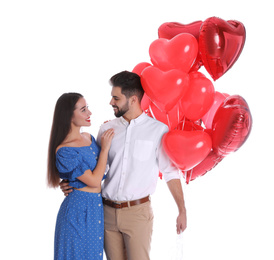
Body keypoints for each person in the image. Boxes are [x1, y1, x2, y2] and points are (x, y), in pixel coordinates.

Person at [61, 71, 187, 260]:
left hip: (138, 213)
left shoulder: (158, 130)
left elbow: (170, 172)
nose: (111, 102)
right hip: (106, 212)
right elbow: (93, 168)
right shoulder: (106, 129)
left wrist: (182, 210)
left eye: (116, 98)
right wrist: (70, 182)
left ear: (133, 99)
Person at [47, 92, 114, 259]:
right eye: (83, 110)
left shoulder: (89, 138)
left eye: (87, 108)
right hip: (77, 211)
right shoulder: (65, 150)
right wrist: (105, 148)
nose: (89, 113)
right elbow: (93, 180)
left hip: (96, 207)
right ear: (68, 115)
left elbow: (102, 167)